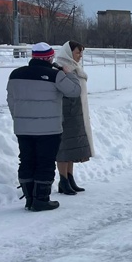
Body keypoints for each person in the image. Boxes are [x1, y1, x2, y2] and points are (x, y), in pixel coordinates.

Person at [6, 42, 81, 211]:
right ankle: (41, 199)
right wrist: (69, 74)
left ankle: (30, 198)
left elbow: (11, 100)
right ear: (49, 58)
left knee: (26, 161)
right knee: (45, 163)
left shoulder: (15, 75)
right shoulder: (55, 75)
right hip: (49, 130)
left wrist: (17, 118)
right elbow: (74, 91)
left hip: (22, 128)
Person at [54, 41, 94, 195]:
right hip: (65, 113)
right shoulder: (60, 67)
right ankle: (63, 180)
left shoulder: (74, 68)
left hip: (76, 112)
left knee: (72, 147)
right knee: (63, 148)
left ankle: (69, 178)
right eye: (78, 52)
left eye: (81, 53)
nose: (80, 56)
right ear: (69, 53)